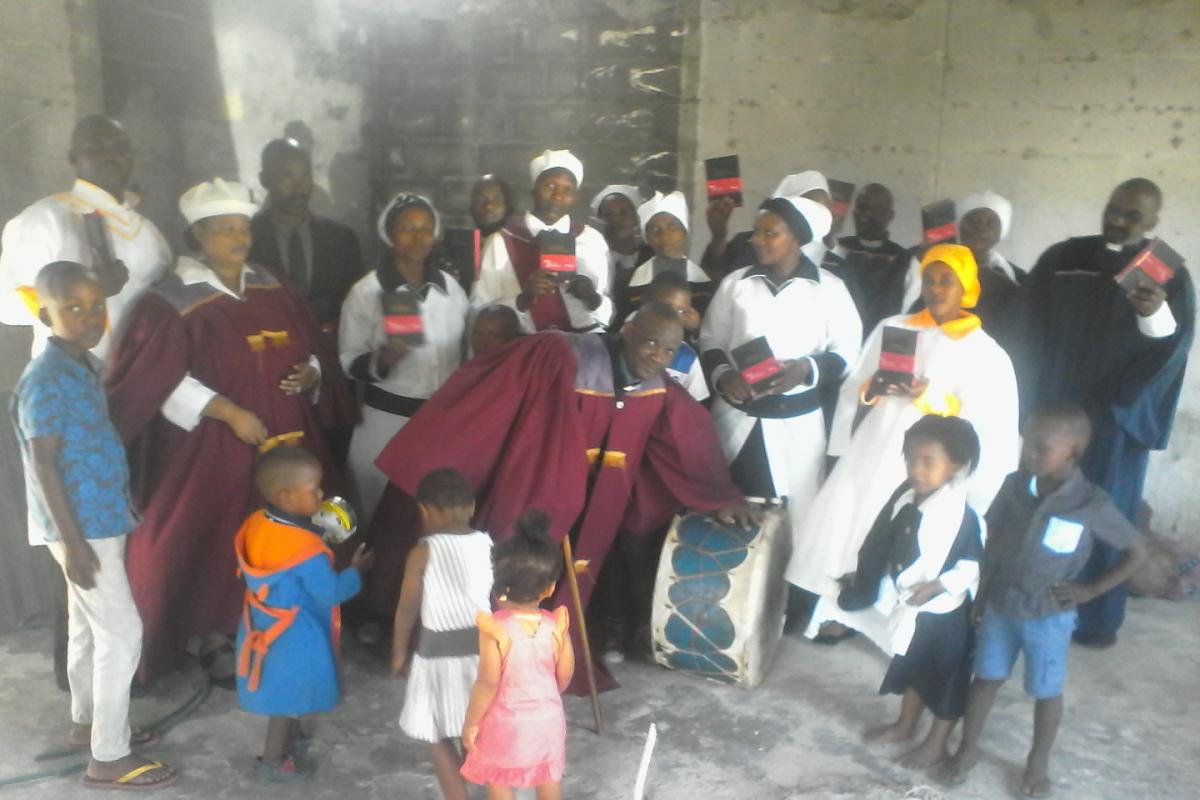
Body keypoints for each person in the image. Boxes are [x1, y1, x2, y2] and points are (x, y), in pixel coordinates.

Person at [370, 302, 758, 692]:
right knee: (508, 569)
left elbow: (688, 434)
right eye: (650, 342)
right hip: (537, 487)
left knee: (570, 580)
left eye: (668, 350)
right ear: (627, 331)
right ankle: (477, 659)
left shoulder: (655, 388)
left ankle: (541, 659)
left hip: (593, 505)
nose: (657, 356)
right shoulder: (561, 356)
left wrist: (719, 495)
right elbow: (494, 402)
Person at [105, 178, 354, 684]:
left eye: (244, 229)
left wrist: (312, 371)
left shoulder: (271, 283)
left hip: (289, 435)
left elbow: (312, 343)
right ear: (197, 235)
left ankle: (292, 620)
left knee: (297, 526)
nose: (239, 239)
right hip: (213, 445)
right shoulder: (168, 301)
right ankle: (214, 633)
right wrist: (226, 411)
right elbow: (157, 377)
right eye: (225, 230)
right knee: (212, 535)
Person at [796, 244, 1018, 640]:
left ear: (966, 286)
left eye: (947, 280)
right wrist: (872, 388)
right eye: (929, 279)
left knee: (900, 535)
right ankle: (839, 607)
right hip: (876, 445)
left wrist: (926, 396)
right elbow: (854, 389)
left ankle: (884, 617)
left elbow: (981, 422)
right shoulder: (894, 327)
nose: (936, 288)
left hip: (925, 461)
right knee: (853, 525)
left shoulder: (984, 351)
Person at [10, 262, 176, 790]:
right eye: (73, 308)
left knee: (86, 626)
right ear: (46, 316)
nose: (89, 317)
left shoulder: (82, 364)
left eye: (96, 306)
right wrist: (75, 543)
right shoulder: (46, 379)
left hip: (99, 517)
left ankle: (87, 723)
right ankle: (108, 757)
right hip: (83, 528)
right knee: (122, 633)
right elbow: (44, 464)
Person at [1016, 178, 1194, 647]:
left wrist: (1154, 313)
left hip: (1115, 419)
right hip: (1056, 409)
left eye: (1132, 215)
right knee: (1042, 503)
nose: (1117, 219)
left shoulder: (1169, 276)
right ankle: (1028, 603)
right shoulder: (1064, 258)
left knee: (1106, 514)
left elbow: (1171, 350)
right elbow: (1027, 326)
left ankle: (1094, 619)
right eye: (1113, 208)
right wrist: (1029, 400)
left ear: (1153, 221)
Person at [941, 406, 1148, 797]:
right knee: (985, 679)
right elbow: (995, 541)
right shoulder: (1015, 486)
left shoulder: (1090, 503)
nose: (1029, 454)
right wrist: (982, 593)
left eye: (1042, 448)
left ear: (1073, 451)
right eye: (1027, 444)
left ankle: (1038, 762)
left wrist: (1091, 590)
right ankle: (968, 748)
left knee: (1046, 690)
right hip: (1002, 605)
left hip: (1048, 615)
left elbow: (1137, 552)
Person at [699, 193, 860, 523]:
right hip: (735, 417)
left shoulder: (829, 289)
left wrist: (806, 369)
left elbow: (848, 351)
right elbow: (710, 339)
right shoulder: (736, 284)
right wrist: (725, 376)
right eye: (756, 231)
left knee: (792, 520)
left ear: (797, 239)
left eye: (769, 233)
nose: (757, 239)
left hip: (797, 427)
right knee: (726, 510)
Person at [837, 416, 984, 768]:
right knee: (915, 669)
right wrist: (867, 574)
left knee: (946, 680)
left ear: (956, 466)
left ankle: (936, 743)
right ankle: (906, 725)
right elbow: (889, 544)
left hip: (945, 615)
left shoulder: (960, 517)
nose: (916, 469)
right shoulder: (906, 500)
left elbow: (973, 564)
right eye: (911, 459)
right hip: (915, 610)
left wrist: (938, 586)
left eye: (928, 462)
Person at [234, 446, 371, 781]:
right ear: (288, 497)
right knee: (285, 699)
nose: (321, 495)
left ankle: (293, 737)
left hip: (262, 622)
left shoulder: (257, 522)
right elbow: (330, 592)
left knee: (286, 686)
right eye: (314, 490)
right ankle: (272, 762)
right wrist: (355, 572)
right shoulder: (306, 551)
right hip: (294, 634)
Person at [338, 192, 469, 521]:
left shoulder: (452, 289)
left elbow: (466, 348)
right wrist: (381, 361)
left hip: (441, 421)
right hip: (386, 420)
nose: (417, 237)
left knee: (431, 511)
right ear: (389, 235)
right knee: (377, 508)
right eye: (407, 228)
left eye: (425, 228)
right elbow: (347, 358)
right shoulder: (366, 292)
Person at [0, 115, 171, 360]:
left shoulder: (149, 231)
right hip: (73, 374)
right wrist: (86, 293)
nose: (109, 155)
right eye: (95, 148)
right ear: (73, 157)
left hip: (144, 372)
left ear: (132, 155)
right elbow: (6, 304)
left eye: (120, 148)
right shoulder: (45, 218)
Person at [392, 469, 494, 800]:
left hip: (435, 655)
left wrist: (398, 653)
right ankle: (483, 782)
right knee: (475, 729)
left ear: (424, 510)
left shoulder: (423, 552)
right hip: (483, 655)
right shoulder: (488, 545)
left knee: (434, 733)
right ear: (472, 507)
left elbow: (407, 609)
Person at [460, 510, 574, 800]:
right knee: (548, 776)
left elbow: (487, 683)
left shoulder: (495, 630)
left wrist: (471, 722)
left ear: (500, 585)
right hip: (549, 721)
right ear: (549, 588)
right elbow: (564, 674)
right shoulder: (557, 626)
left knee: (499, 780)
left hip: (505, 724)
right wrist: (545, 695)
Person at [472, 149, 613, 333]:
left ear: (575, 197)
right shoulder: (502, 241)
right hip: (523, 342)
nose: (557, 196)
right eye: (550, 186)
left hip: (583, 340)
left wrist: (592, 297)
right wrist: (523, 298)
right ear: (534, 189)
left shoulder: (591, 239)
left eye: (567, 190)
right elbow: (480, 307)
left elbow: (607, 306)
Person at [249, 138, 364, 334]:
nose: (299, 187)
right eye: (287, 177)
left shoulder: (341, 239)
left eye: (305, 176)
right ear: (265, 180)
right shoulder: (247, 239)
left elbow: (357, 304)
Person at [702, 170, 842, 280]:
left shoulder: (838, 265)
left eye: (825, 209)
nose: (819, 215)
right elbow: (713, 279)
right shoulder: (746, 244)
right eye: (810, 207)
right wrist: (718, 237)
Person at [827, 183, 910, 339]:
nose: (867, 215)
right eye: (862, 208)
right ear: (854, 212)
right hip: (837, 336)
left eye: (877, 210)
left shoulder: (902, 259)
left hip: (879, 337)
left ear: (890, 216)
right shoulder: (836, 250)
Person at [619, 190, 714, 322]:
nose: (664, 236)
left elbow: (712, 325)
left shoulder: (702, 282)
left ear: (684, 232)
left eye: (672, 227)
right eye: (655, 229)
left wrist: (695, 326)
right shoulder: (630, 280)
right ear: (647, 237)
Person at [440, 175, 516, 292]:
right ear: (471, 207)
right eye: (480, 199)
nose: (488, 206)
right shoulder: (452, 248)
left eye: (496, 199)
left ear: (508, 206)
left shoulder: (519, 246)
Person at [591, 184, 651, 302]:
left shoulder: (651, 257)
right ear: (598, 219)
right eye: (608, 214)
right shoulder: (590, 257)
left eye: (624, 213)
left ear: (637, 218)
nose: (616, 219)